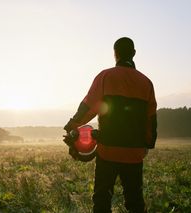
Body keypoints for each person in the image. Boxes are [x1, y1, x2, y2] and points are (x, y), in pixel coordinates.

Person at [64, 37, 157, 213]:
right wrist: (148, 144)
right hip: (134, 153)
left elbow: (88, 106)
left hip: (108, 150)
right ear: (134, 54)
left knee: (102, 200)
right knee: (135, 201)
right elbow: (151, 118)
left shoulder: (105, 76)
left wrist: (72, 125)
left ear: (115, 54)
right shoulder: (146, 82)